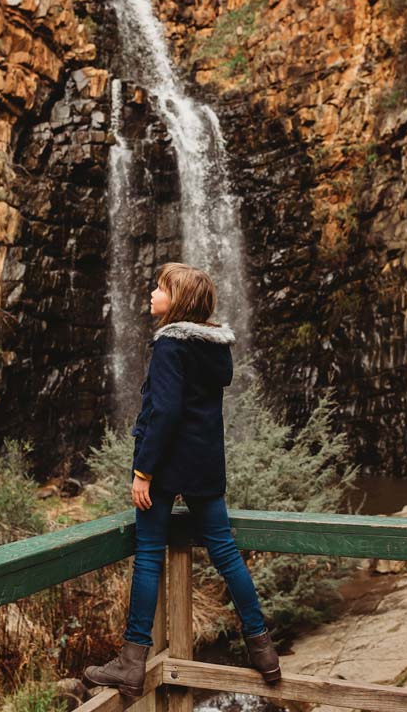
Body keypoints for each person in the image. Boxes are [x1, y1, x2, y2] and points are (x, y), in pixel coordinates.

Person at [83, 262, 280, 697]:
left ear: (180, 300)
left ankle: (132, 663)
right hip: (205, 465)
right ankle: (263, 650)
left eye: (160, 288)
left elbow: (165, 412)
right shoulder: (214, 349)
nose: (152, 293)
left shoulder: (171, 346)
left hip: (167, 466)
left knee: (149, 555)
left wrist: (143, 472)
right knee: (226, 552)